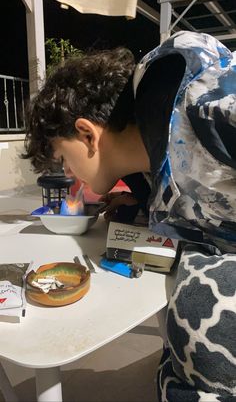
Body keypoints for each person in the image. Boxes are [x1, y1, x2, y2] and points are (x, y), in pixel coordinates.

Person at [23, 31, 236, 401]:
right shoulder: (150, 166)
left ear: (87, 134)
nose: (70, 175)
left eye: (63, 160)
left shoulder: (204, 103)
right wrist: (135, 201)